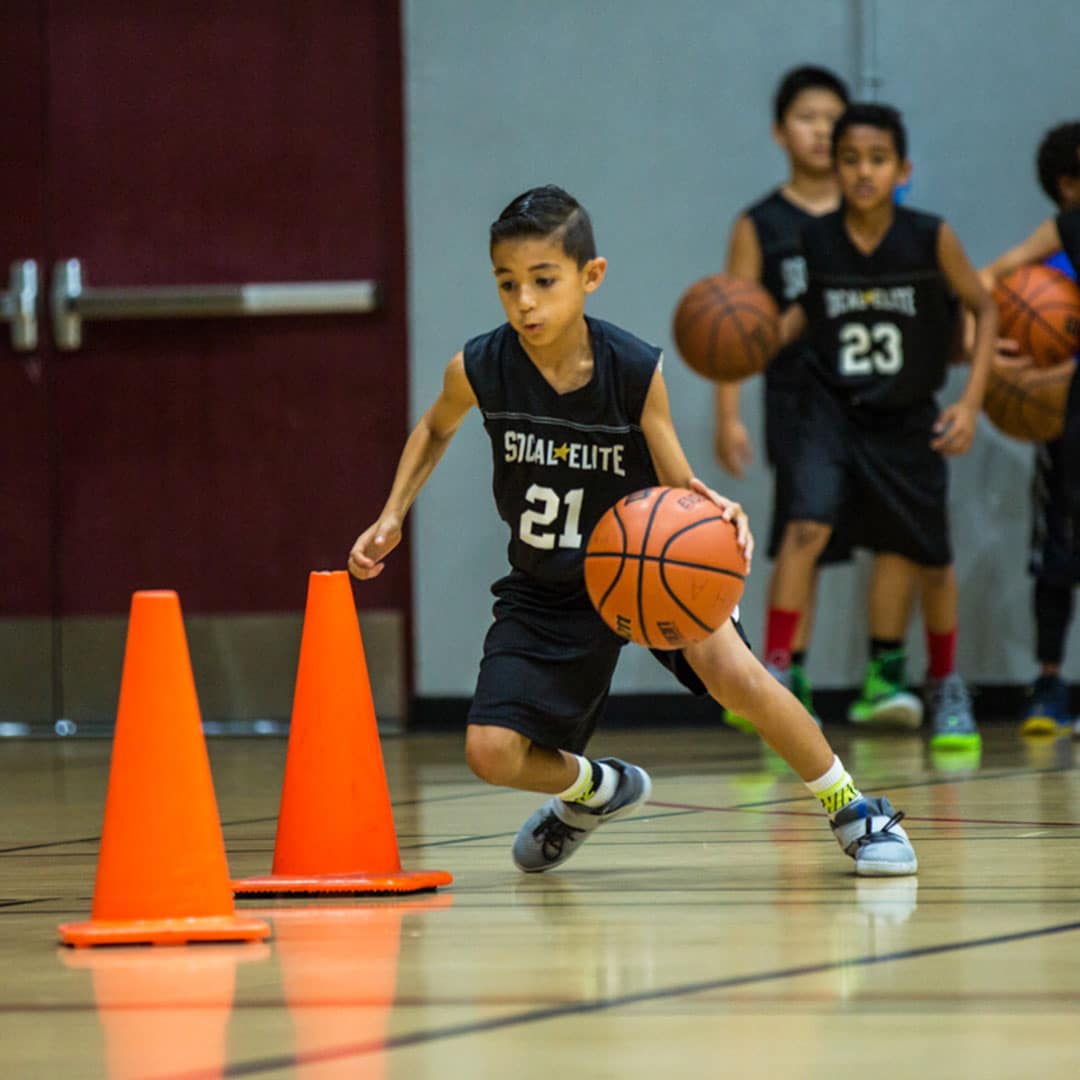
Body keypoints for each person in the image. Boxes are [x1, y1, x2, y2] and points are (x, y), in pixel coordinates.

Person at [348, 184, 917, 876]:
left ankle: (855, 807)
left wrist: (714, 507)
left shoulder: (631, 369)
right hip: (548, 583)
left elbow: (676, 475)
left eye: (543, 280)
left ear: (592, 277)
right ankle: (596, 790)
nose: (524, 300)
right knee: (489, 752)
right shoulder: (480, 368)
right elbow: (435, 427)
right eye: (507, 283)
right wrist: (391, 513)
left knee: (738, 677)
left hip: (646, 562)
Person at [766, 104, 997, 751]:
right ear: (834, 167)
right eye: (851, 160)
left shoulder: (930, 237)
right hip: (832, 413)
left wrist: (972, 403)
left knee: (933, 559)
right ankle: (777, 674)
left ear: (902, 169)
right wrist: (742, 342)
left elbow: (985, 305)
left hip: (906, 416)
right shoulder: (813, 240)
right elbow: (797, 319)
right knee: (804, 527)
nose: (863, 172)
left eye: (877, 160)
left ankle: (947, 682)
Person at [715, 67, 928, 733]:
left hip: (886, 397)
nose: (820, 130)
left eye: (831, 119)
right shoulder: (763, 223)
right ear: (781, 131)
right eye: (807, 117)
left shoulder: (878, 214)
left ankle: (884, 674)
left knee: (896, 533)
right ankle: (778, 673)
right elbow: (734, 325)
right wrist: (728, 413)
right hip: (802, 400)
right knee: (804, 528)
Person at [980, 121, 1080, 735]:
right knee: (1059, 553)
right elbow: (988, 281)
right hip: (1067, 424)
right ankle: (1048, 682)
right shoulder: (1067, 231)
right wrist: (994, 353)